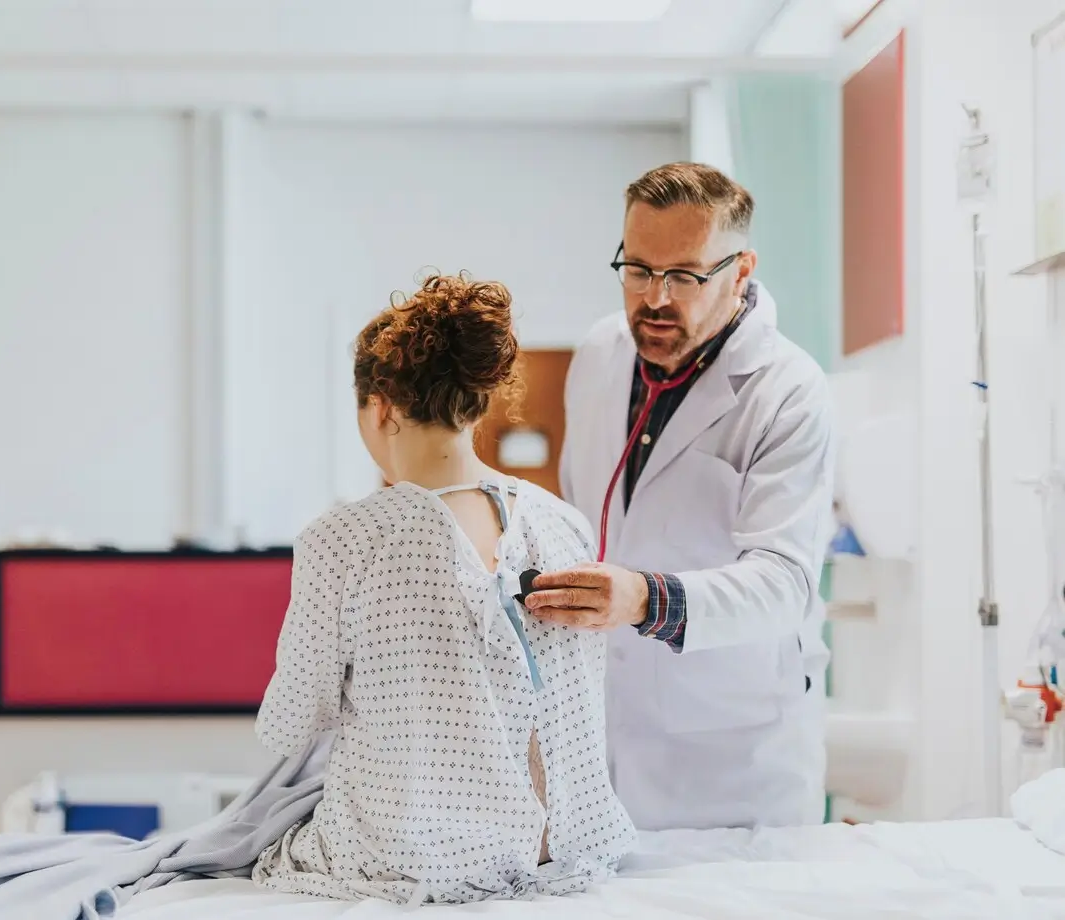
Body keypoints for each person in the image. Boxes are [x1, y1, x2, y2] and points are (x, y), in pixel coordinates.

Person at [252, 274, 636, 904]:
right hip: (570, 849)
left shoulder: (345, 537)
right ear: (475, 404)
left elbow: (293, 723)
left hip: (423, 859)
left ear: (379, 406)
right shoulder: (561, 523)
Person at [524, 162, 835, 832]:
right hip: (606, 739)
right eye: (637, 269)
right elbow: (582, 520)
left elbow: (785, 585)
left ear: (741, 271)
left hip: (734, 759)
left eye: (685, 275)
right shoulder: (599, 354)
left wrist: (643, 598)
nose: (655, 297)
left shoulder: (788, 391)